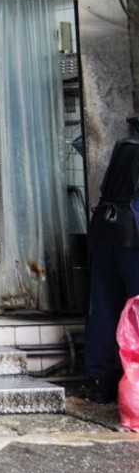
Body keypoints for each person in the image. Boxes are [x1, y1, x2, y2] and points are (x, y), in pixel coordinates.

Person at [77, 118, 139, 404]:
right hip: (133, 235)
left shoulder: (123, 147)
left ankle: (100, 382)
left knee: (103, 307)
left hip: (107, 230)